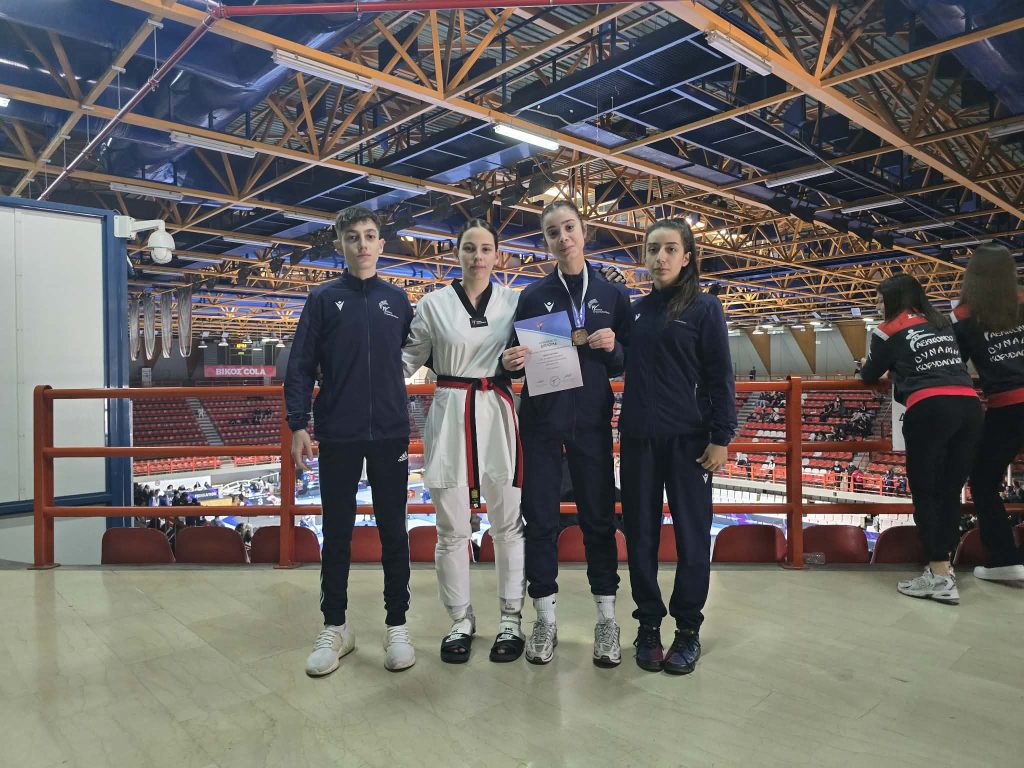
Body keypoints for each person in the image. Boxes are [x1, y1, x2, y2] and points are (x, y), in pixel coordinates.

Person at [285, 206, 416, 676]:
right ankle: (336, 626)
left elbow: (425, 351)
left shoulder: (397, 300)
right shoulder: (322, 299)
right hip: (339, 432)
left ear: (381, 243)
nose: (362, 244)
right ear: (340, 245)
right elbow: (301, 364)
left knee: (393, 531)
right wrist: (298, 423)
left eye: (370, 236)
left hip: (390, 432)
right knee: (337, 531)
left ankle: (397, 624)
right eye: (353, 237)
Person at [500, 199, 631, 666]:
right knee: (540, 521)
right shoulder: (533, 296)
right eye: (553, 232)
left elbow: (626, 361)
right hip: (541, 425)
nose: (563, 238)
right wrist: (510, 361)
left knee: (599, 521)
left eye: (569, 227)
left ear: (584, 231)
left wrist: (615, 348)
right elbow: (514, 360)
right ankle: (545, 619)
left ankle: (607, 620)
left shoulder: (612, 294)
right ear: (546, 241)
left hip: (591, 422)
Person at [401, 219, 528, 663]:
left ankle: (511, 617)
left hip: (497, 411)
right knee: (452, 526)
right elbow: (406, 360)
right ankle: (460, 619)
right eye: (469, 248)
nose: (478, 257)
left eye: (485, 249)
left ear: (498, 256)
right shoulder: (432, 304)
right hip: (450, 411)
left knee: (508, 523)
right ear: (456, 254)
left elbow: (536, 359)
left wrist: (519, 363)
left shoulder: (515, 302)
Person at [619, 218, 736, 674]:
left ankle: (687, 629)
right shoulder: (635, 312)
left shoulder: (705, 308)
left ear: (687, 257)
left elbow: (720, 375)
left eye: (670, 249)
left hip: (690, 442)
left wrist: (721, 436)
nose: (661, 257)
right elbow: (615, 360)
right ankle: (649, 624)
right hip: (638, 440)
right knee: (641, 537)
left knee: (691, 537)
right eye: (653, 249)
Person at [860, 273, 982, 604]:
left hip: (930, 409)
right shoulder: (941, 322)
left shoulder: (886, 331)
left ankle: (939, 576)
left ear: (894, 299)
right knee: (949, 492)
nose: (876, 304)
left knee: (926, 494)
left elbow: (869, 373)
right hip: (970, 407)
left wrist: (869, 366)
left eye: (879, 298)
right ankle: (945, 568)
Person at [951, 244, 1024, 582]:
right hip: (1008, 404)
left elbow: (953, 365)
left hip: (1008, 406)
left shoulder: (964, 315)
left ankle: (1005, 560)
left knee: (982, 481)